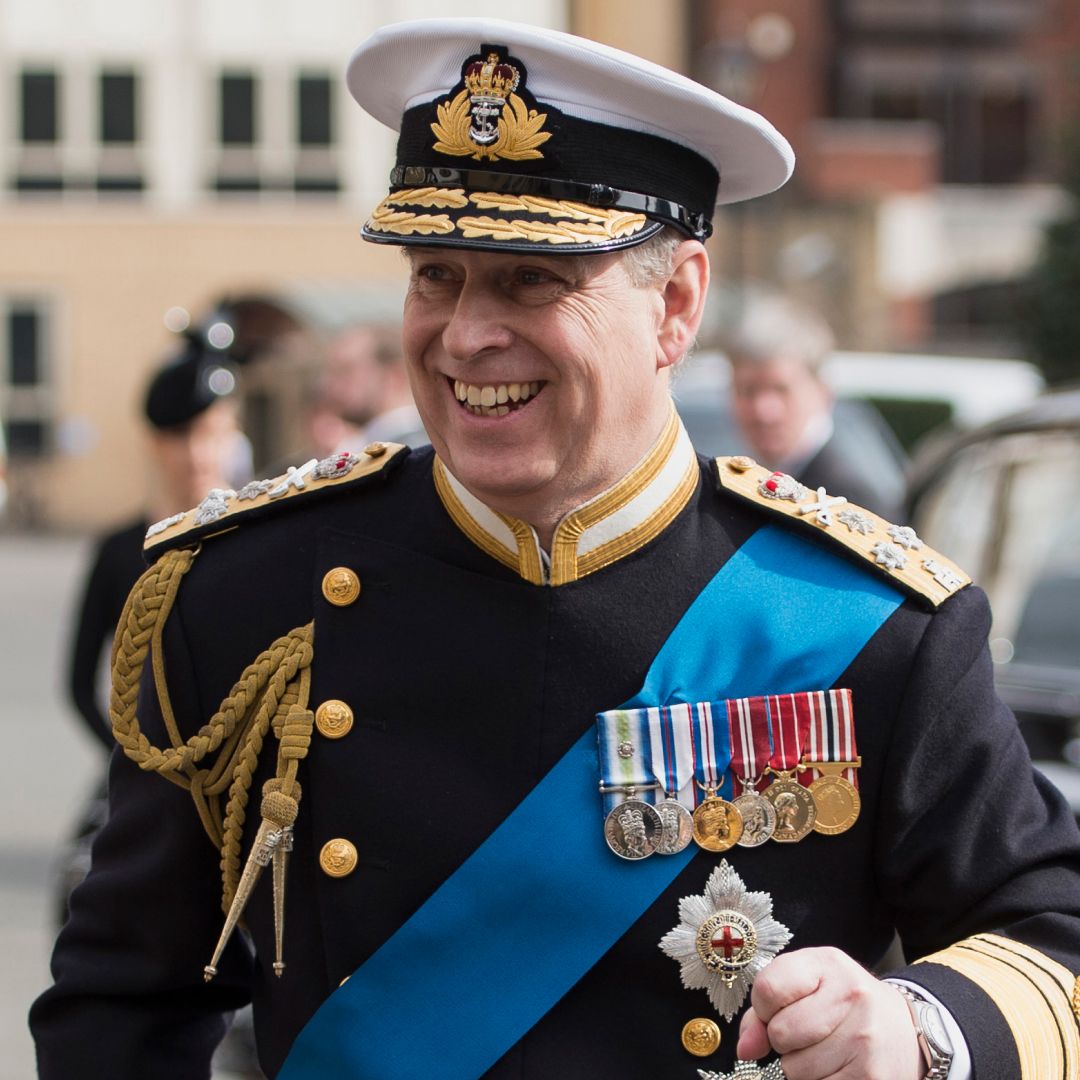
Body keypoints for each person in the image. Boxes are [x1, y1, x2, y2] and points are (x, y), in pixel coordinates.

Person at [31, 18, 1079, 1080]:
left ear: (675, 304)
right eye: (435, 275)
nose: (465, 334)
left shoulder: (858, 621)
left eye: (532, 280)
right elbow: (118, 1008)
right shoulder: (247, 595)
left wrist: (920, 1025)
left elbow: (1054, 937)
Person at [66, 346, 244, 753]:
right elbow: (78, 684)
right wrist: (130, 761)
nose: (198, 454)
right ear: (154, 443)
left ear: (235, 434)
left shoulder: (265, 534)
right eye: (181, 436)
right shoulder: (117, 551)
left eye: (212, 433)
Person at [721, 289, 906, 521]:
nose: (763, 411)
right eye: (748, 391)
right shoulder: (750, 483)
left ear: (822, 392)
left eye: (781, 390)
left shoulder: (847, 496)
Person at [307, 323, 427, 459]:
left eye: (345, 371)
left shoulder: (412, 452)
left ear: (395, 376)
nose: (329, 385)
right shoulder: (359, 446)